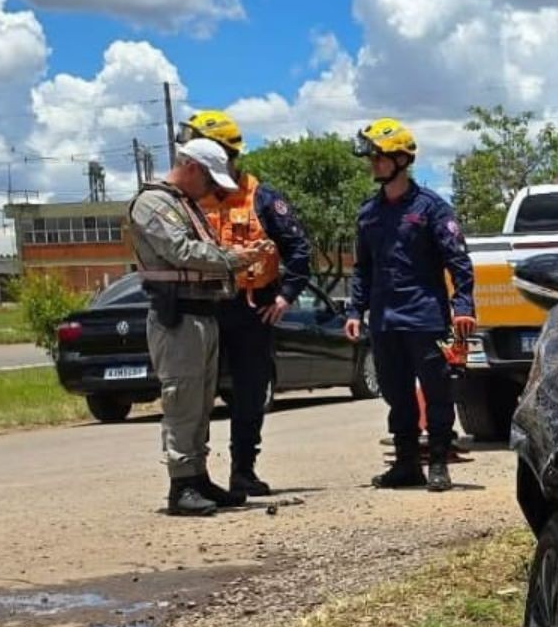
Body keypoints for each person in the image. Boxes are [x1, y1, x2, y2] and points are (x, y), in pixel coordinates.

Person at [175, 109, 313, 498]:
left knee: (250, 392)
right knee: (198, 392)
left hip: (253, 308)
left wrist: (286, 297)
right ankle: (194, 476)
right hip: (205, 308)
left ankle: (243, 471)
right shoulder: (185, 200)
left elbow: (299, 249)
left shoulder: (262, 197)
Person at [126, 139, 266, 516]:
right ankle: (181, 484)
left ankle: (197, 476)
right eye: (210, 179)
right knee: (182, 400)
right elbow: (181, 252)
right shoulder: (154, 203)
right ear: (191, 168)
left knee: (200, 402)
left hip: (202, 313)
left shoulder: (184, 204)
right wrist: (234, 259)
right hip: (178, 317)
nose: (213, 189)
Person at [343, 117, 476, 493]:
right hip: (384, 321)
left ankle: (437, 462)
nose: (373, 164)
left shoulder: (433, 209)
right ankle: (405, 464)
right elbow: (362, 269)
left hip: (425, 317)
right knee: (395, 392)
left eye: (378, 157)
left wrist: (464, 305)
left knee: (436, 391)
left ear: (401, 159)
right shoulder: (368, 213)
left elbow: (459, 262)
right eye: (371, 158)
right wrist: (355, 311)